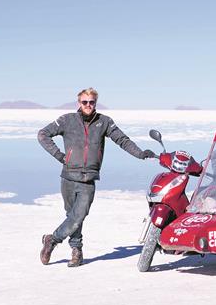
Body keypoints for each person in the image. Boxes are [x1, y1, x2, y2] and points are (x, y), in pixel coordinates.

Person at [37, 87, 156, 267]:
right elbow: (43, 135)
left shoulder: (104, 122)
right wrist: (60, 156)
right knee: (72, 216)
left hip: (88, 179)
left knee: (79, 215)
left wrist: (140, 153)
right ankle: (77, 251)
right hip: (68, 177)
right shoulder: (67, 120)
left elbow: (122, 140)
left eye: (91, 102)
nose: (88, 105)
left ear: (95, 103)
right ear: (79, 103)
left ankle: (52, 239)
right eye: (85, 102)